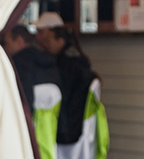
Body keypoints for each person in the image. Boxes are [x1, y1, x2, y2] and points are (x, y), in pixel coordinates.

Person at [34, 13, 97, 144]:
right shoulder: (76, 58)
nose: (37, 37)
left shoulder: (66, 64)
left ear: (54, 35)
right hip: (77, 127)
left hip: (65, 130)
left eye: (41, 32)